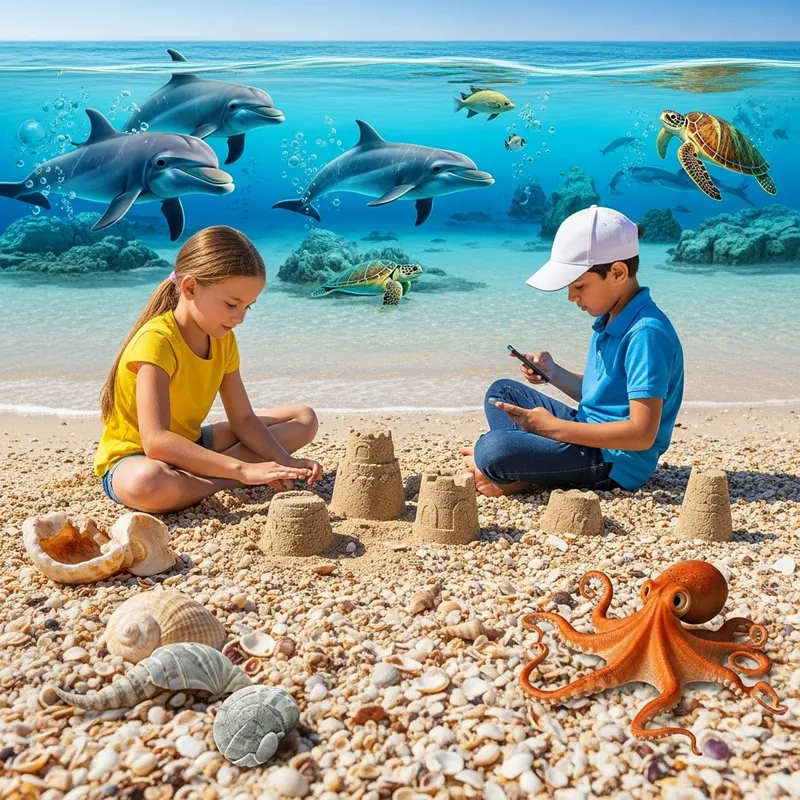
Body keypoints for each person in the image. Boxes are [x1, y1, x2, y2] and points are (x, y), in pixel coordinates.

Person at [95, 225, 322, 514]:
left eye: (248, 307)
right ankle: (217, 481)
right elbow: (157, 443)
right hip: (134, 459)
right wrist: (240, 470)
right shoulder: (157, 341)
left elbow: (243, 419)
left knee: (303, 418)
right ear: (190, 288)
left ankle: (202, 478)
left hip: (190, 443)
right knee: (148, 484)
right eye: (231, 304)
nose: (239, 317)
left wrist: (283, 462)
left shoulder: (223, 339)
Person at [462, 205, 684, 496]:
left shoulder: (646, 334)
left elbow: (642, 434)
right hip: (587, 429)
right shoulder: (611, 318)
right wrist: (553, 373)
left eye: (579, 286)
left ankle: (522, 475)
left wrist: (553, 429)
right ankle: (526, 465)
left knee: (492, 449)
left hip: (615, 461)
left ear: (617, 272)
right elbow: (602, 397)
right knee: (501, 393)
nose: (571, 297)